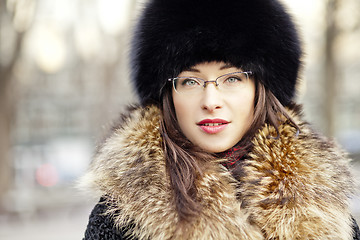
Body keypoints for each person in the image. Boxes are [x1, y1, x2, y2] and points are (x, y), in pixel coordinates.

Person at [81, 0, 360, 239]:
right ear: (168, 95)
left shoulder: (324, 205)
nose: (210, 101)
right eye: (190, 81)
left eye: (232, 78)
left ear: (260, 90)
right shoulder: (121, 216)